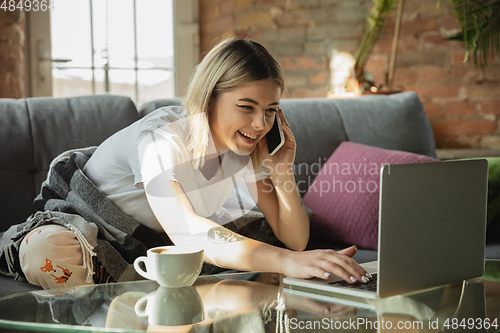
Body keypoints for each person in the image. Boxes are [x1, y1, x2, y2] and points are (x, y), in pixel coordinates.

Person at [18, 37, 370, 289]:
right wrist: (287, 263)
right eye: (246, 107)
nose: (261, 124)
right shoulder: (162, 138)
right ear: (210, 98)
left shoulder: (247, 149)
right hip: (89, 228)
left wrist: (281, 172)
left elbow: (293, 239)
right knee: (45, 253)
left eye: (270, 111)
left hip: (149, 248)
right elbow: (187, 230)